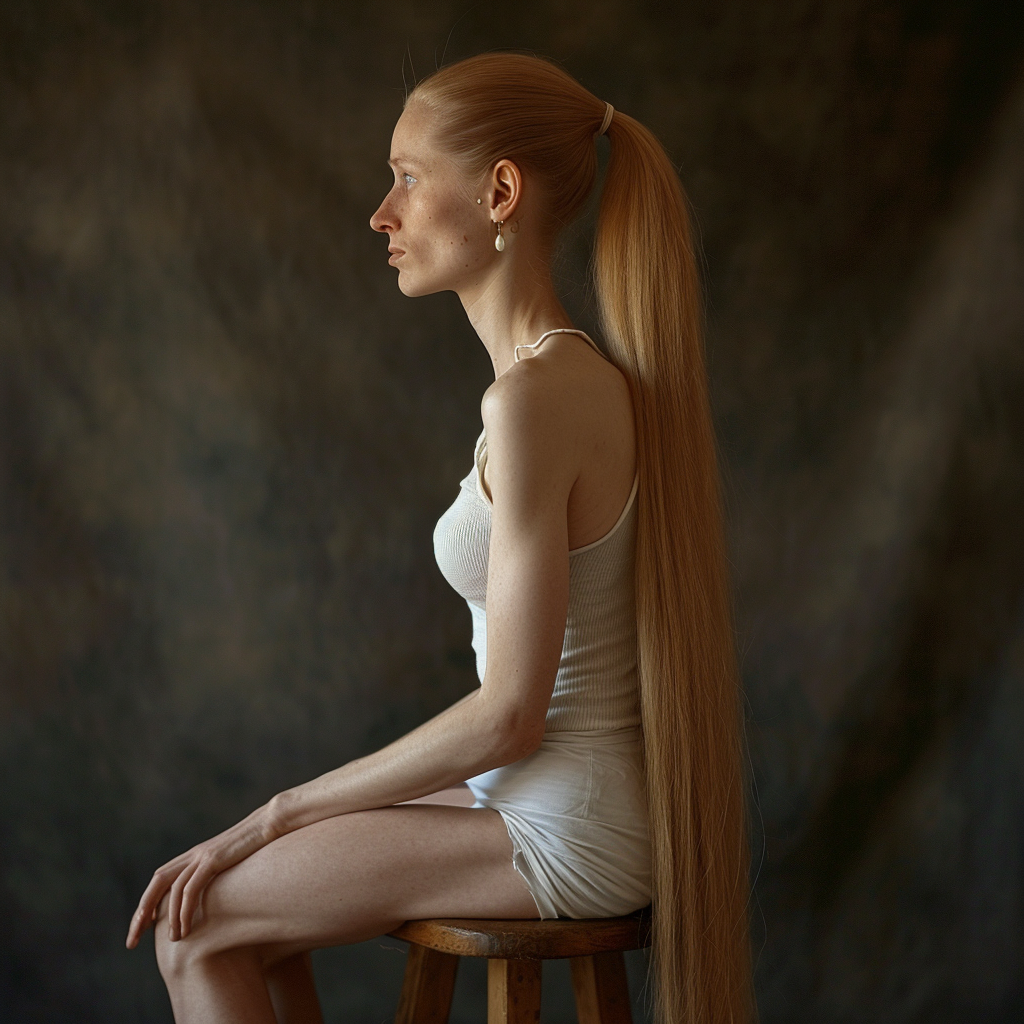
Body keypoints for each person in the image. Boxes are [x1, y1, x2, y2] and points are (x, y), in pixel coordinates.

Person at [125, 51, 755, 1024]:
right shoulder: (555, 383)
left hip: (560, 825)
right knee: (240, 915)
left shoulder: (535, 400)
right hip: (529, 798)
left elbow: (510, 715)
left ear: (499, 191)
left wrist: (282, 810)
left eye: (408, 178)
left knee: (192, 925)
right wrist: (290, 824)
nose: (382, 213)